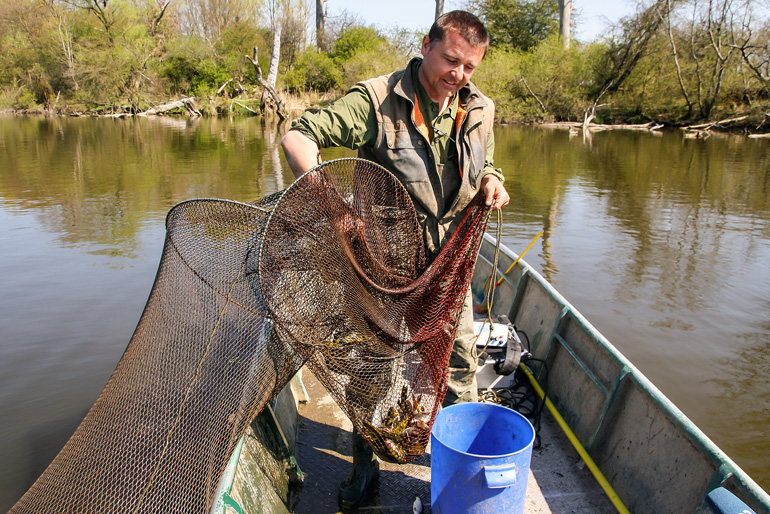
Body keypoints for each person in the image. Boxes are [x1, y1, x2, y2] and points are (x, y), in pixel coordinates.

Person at [280, 10, 510, 510]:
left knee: (462, 366)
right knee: (373, 371)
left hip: (449, 267)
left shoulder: (481, 109)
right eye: (450, 60)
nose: (458, 75)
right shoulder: (376, 100)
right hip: (382, 269)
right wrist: (334, 206)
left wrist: (492, 179)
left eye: (470, 66)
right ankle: (365, 474)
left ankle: (456, 471)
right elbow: (297, 138)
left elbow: (486, 159)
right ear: (426, 44)